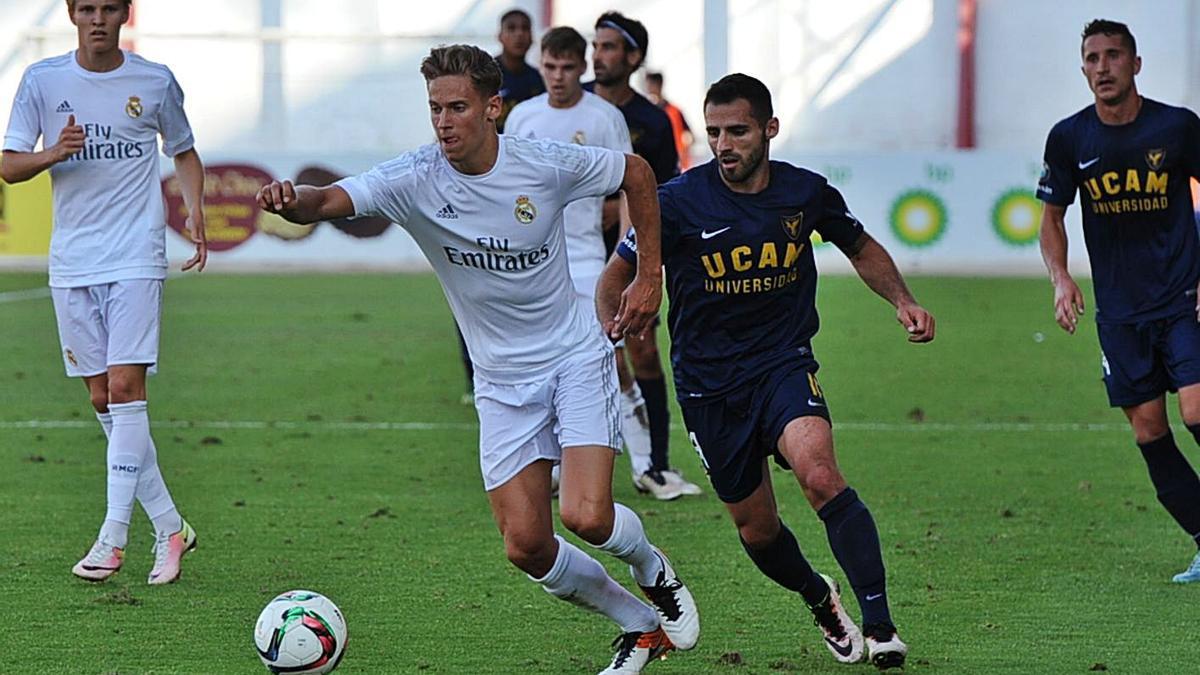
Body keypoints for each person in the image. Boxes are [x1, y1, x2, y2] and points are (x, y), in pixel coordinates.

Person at [256, 45, 699, 673]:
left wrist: (648, 274)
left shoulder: (541, 164)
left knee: (585, 515)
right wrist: (289, 199)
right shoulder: (414, 178)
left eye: (457, 107)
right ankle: (637, 624)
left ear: (494, 108)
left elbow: (637, 173)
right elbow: (326, 201)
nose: (443, 122)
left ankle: (653, 567)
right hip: (499, 381)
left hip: (572, 355)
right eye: (435, 108)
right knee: (526, 545)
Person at [599, 73, 933, 670]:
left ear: (770, 129)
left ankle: (881, 625)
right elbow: (612, 279)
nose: (723, 144)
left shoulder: (805, 194)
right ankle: (819, 597)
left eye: (738, 131)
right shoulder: (676, 202)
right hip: (707, 385)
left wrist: (903, 300)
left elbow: (859, 246)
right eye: (714, 132)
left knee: (821, 475)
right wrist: (616, 334)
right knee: (757, 530)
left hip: (783, 363)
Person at [1, 0, 206, 585]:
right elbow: (10, 165)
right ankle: (171, 527)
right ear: (70, 13)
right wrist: (54, 153)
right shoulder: (43, 80)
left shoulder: (154, 80)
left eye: (109, 8)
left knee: (125, 387)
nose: (98, 19)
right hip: (73, 260)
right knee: (100, 398)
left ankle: (113, 537)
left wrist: (193, 210)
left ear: (125, 14)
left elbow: (184, 151)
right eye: (87, 7)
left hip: (136, 254)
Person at [1038, 19, 1200, 583]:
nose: (1102, 67)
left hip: (1182, 298)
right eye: (1091, 58)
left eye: (1112, 56)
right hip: (1121, 314)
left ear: (1135, 63)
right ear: (1083, 69)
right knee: (1150, 431)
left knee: (1196, 411)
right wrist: (1060, 277)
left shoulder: (1177, 128)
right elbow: (1052, 217)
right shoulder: (1069, 138)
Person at [505, 26, 654, 497]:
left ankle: (645, 463)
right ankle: (551, 465)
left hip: (591, 258)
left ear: (581, 67)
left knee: (611, 357)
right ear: (542, 65)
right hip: (536, 265)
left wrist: (626, 255)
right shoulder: (523, 118)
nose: (558, 76)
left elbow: (631, 185)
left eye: (568, 67)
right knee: (541, 363)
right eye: (550, 67)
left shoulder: (605, 117)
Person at [588, 10, 701, 500]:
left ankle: (656, 462)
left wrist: (643, 253)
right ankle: (554, 463)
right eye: (596, 46)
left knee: (642, 351)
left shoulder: (652, 120)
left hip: (629, 255)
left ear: (633, 57)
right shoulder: (572, 110)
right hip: (567, 253)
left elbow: (662, 191)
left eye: (609, 47)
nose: (598, 55)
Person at [452, 8, 548, 406]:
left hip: (520, 189)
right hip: (480, 183)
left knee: (518, 275)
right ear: (500, 34)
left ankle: (527, 365)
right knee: (473, 279)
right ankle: (476, 373)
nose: (520, 35)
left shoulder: (536, 80)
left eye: (525, 28)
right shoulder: (485, 75)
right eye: (512, 28)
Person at [644, 72, 694, 171]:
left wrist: (683, 152)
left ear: (659, 85)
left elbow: (688, 135)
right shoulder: (644, 112)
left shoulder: (674, 111)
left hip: (676, 162)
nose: (648, 88)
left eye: (651, 84)